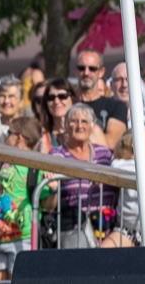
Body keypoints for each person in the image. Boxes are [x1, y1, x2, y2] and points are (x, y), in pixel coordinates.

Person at [42, 102, 116, 248]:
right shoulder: (57, 155)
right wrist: (53, 189)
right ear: (67, 126)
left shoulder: (104, 154)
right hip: (73, 230)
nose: (79, 126)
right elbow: (49, 206)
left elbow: (119, 187)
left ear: (92, 126)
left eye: (84, 121)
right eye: (74, 121)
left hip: (105, 227)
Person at [0, 116, 43, 281]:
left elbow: (45, 199)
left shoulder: (36, 164)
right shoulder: (6, 160)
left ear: (19, 137)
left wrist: (52, 190)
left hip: (22, 235)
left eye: (8, 133)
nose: (5, 137)